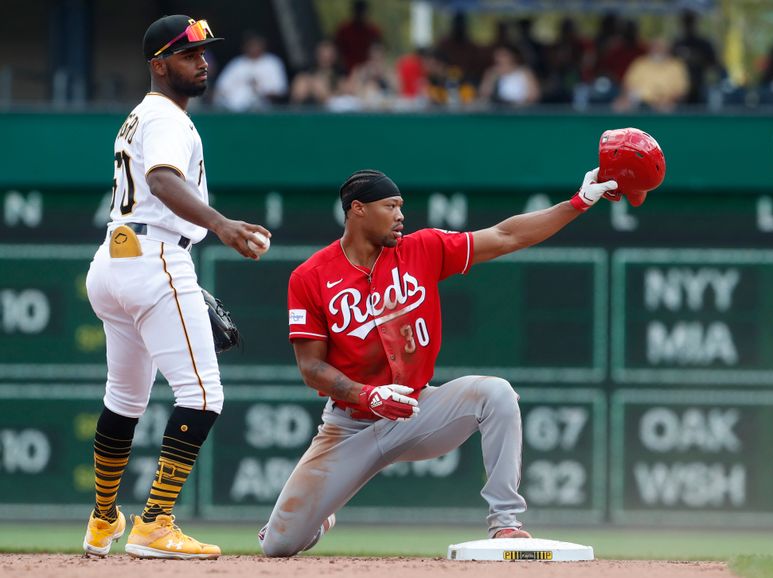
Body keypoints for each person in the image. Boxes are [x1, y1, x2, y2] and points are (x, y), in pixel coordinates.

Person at [257, 167, 619, 557]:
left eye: (401, 206)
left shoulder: (422, 248)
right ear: (357, 210)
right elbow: (311, 367)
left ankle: (506, 523)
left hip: (417, 410)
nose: (400, 215)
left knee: (495, 394)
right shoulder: (310, 276)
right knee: (280, 545)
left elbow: (505, 236)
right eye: (390, 205)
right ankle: (321, 513)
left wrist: (578, 202)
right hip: (348, 426)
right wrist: (368, 395)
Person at [82, 14, 271, 560]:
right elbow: (163, 180)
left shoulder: (138, 117)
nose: (202, 61)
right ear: (158, 64)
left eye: (204, 52)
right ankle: (155, 524)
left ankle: (101, 522)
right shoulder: (166, 117)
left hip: (113, 260)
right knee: (204, 394)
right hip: (156, 256)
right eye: (189, 54)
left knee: (124, 398)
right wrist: (221, 224)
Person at [213, 31, 288, 111]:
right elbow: (220, 89)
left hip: (263, 109)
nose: (253, 48)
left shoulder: (272, 63)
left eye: (256, 44)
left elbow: (280, 91)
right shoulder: (237, 63)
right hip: (233, 110)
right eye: (251, 45)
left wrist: (259, 90)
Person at [335, 0, 383, 73]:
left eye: (362, 12)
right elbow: (337, 50)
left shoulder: (373, 31)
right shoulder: (343, 30)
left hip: (369, 70)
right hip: (347, 69)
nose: (360, 15)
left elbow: (378, 50)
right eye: (358, 12)